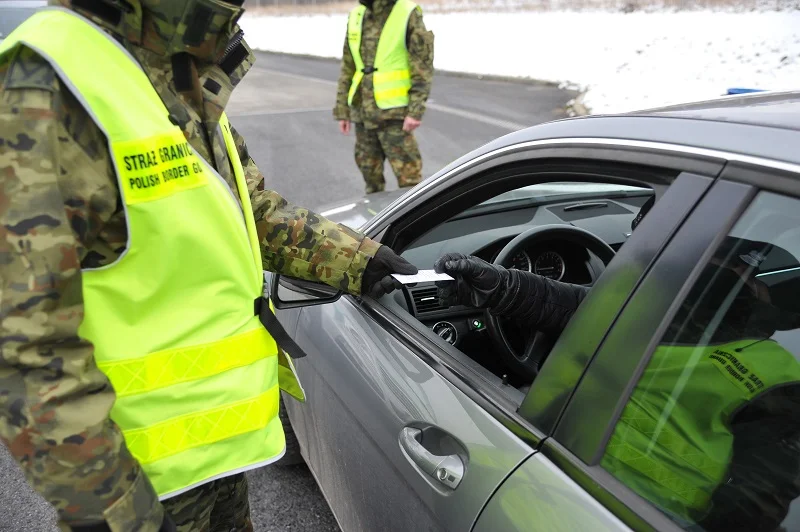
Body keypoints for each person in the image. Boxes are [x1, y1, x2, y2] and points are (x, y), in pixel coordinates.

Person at [0, 2, 416, 531]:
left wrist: (362, 260)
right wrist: (113, 514)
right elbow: (22, 339)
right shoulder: (50, 85)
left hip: (218, 458)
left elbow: (251, 212)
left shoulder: (174, 70)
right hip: (139, 484)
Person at [434, 196, 800, 531]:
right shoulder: (660, 311)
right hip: (541, 483)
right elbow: (577, 307)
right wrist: (501, 288)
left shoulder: (778, 378)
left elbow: (754, 505)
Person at [334, 0, 434, 194]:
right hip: (363, 113)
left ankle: (414, 223)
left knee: (410, 182)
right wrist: (343, 110)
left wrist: (416, 110)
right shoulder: (357, 15)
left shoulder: (407, 12)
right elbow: (348, 66)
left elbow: (422, 66)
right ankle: (378, 223)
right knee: (370, 180)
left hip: (395, 115)